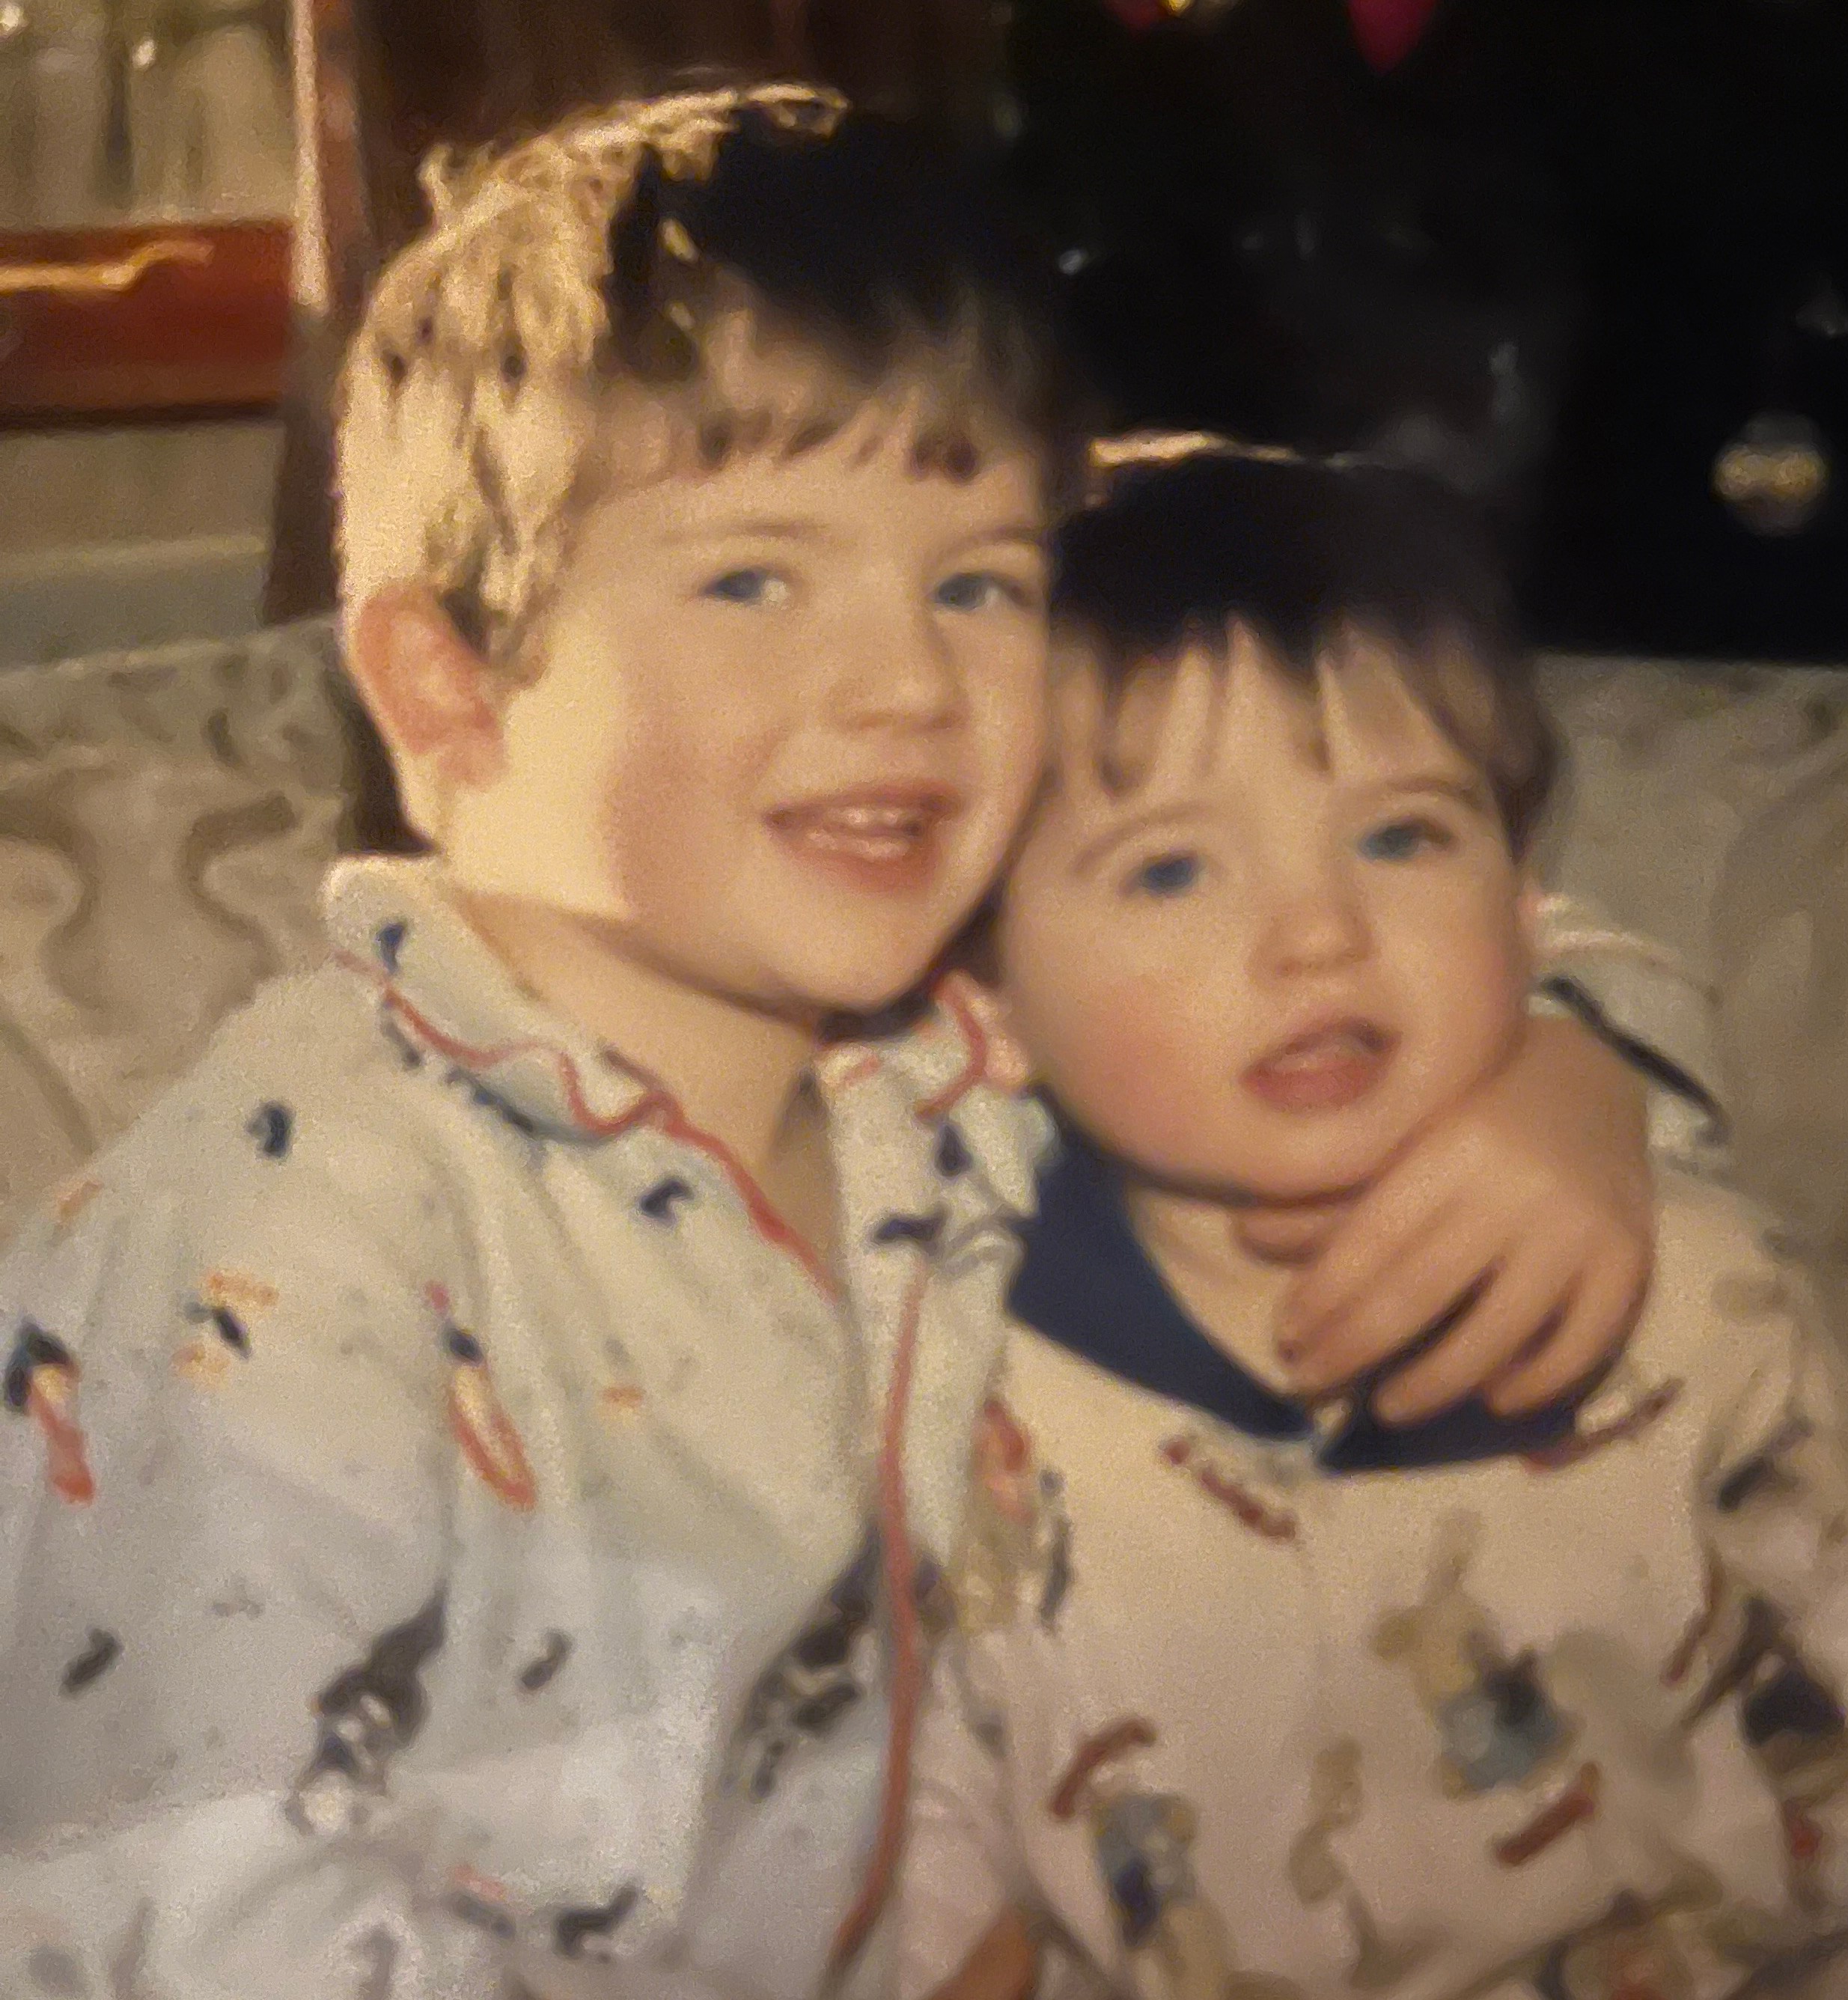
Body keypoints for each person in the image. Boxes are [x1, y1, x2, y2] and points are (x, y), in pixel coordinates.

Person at [0, 87, 1677, 2000]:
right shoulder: (284, 1238)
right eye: (750, 578)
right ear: (444, 683)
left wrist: (1565, 1079)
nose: (906, 683)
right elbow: (172, 1919)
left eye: (977, 584)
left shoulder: (977, 1058)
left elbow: (1427, 915)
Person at [894, 448, 1848, 2000]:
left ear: (1527, 911)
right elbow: (911, 1841)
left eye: (1400, 838)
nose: (1316, 933)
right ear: (983, 999)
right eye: (1170, 866)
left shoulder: (1700, 1307)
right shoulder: (956, 1371)